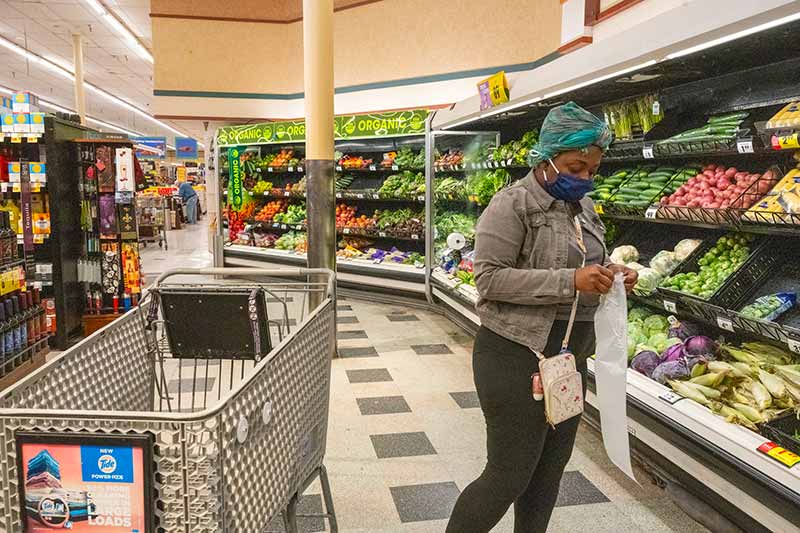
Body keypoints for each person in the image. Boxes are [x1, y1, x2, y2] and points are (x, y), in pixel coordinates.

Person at [446, 102, 638, 533]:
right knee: (509, 474)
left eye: (592, 170)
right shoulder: (511, 204)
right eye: (576, 167)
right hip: (516, 355)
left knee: (548, 474)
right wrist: (570, 279)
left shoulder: (584, 208)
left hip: (568, 361)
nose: (585, 179)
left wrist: (612, 276)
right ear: (548, 157)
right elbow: (490, 280)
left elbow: (590, 266)